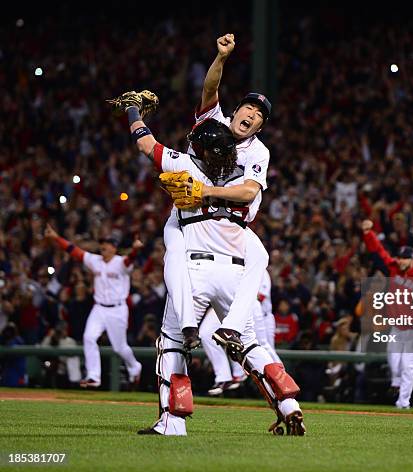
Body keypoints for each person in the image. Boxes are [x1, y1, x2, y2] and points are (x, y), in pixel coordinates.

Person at [114, 96, 304, 435]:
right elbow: (248, 192)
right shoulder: (241, 181)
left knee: (172, 342)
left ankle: (173, 421)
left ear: (200, 149)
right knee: (249, 344)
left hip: (196, 267)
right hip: (235, 269)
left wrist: (132, 111)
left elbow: (145, 142)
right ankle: (288, 405)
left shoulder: (185, 166)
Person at [44, 225, 143, 389]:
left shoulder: (121, 262)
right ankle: (93, 376)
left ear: (114, 248)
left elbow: (129, 260)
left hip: (117, 309)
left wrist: (135, 250)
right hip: (99, 308)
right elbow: (74, 251)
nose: (103, 245)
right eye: (102, 243)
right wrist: (56, 238)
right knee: (89, 338)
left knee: (119, 347)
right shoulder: (95, 260)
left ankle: (134, 366)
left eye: (108, 243)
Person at [361, 219, 413, 409]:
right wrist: (369, 234)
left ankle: (403, 402)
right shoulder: (393, 268)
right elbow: (378, 253)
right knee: (395, 365)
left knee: (407, 366)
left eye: (405, 258)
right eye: (400, 257)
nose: (401, 261)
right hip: (397, 327)